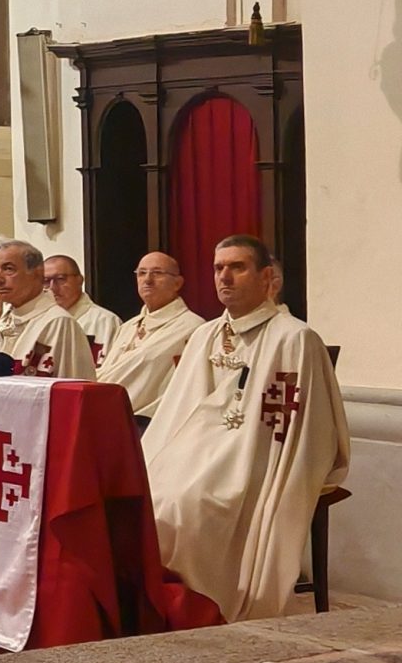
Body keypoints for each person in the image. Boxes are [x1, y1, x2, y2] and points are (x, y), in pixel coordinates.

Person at [142, 237, 349, 621]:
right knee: (146, 493)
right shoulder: (204, 335)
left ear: (266, 277)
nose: (224, 277)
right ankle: (156, 604)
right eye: (218, 268)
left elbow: (309, 426)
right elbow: (178, 410)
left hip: (262, 454)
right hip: (199, 451)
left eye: (237, 267)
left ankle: (200, 608)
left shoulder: (295, 338)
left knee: (186, 505)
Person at [97, 252, 201, 422]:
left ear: (177, 283)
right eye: (141, 273)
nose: (147, 280)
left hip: (150, 422)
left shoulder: (193, 328)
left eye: (157, 273)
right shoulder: (128, 326)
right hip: (105, 413)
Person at [0, 240, 91, 378]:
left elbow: (73, 386)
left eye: (8, 269)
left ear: (38, 273)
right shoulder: (0, 320)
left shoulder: (58, 323)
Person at [43, 254, 121, 364]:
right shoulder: (36, 322)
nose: (52, 287)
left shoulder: (106, 322)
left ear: (80, 280)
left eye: (60, 279)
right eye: (45, 281)